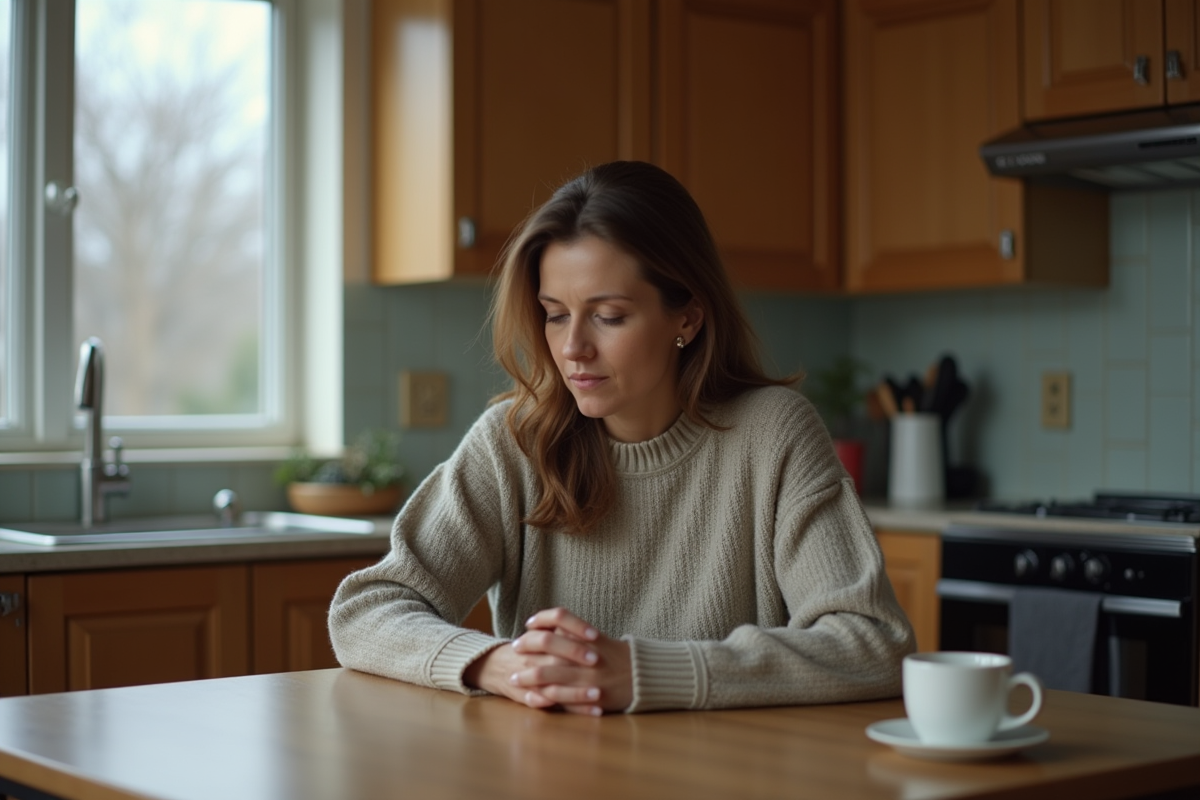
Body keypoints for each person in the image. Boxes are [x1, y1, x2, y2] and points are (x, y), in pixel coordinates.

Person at [328, 161, 915, 715]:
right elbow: (366, 610)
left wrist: (643, 673)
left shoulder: (773, 434)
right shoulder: (515, 442)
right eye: (556, 313)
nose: (573, 348)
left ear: (686, 316)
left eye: (608, 316)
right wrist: (491, 663)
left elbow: (873, 643)